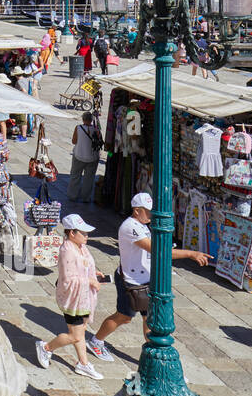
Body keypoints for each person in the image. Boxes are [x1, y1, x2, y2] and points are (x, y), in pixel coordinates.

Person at [87, 194, 210, 362]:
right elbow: (157, 250)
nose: (151, 216)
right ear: (137, 211)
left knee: (149, 319)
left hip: (145, 279)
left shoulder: (143, 225)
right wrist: (190, 253)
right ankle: (96, 341)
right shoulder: (130, 227)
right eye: (148, 212)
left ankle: (153, 357)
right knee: (124, 317)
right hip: (130, 281)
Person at [34, 214, 106, 380]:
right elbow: (68, 277)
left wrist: (94, 273)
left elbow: (82, 266)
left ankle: (83, 363)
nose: (87, 236)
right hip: (72, 298)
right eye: (83, 233)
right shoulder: (67, 250)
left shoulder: (81, 246)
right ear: (72, 233)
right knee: (75, 335)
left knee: (80, 331)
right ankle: (46, 347)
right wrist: (89, 280)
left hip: (83, 297)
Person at [67, 112, 102, 205]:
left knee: (75, 176)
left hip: (79, 155)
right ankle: (86, 198)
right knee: (89, 178)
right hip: (93, 157)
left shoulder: (78, 128)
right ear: (91, 120)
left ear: (83, 119)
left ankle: (73, 196)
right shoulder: (96, 129)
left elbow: (74, 141)